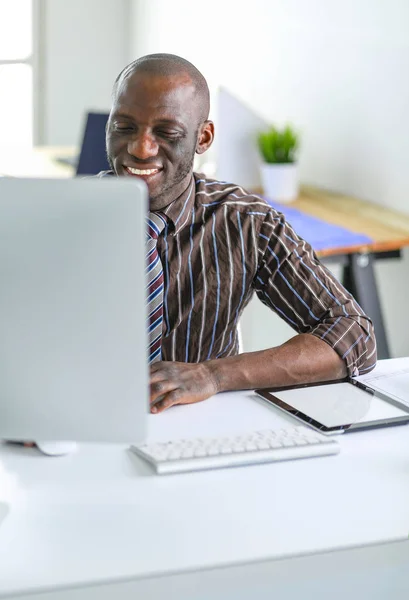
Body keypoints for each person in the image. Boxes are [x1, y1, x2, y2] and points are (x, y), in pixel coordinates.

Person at [100, 53, 376, 414]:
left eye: (167, 133)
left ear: (204, 137)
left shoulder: (247, 222)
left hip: (206, 428)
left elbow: (354, 335)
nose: (141, 148)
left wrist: (213, 375)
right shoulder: (55, 220)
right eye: (124, 127)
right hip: (83, 427)